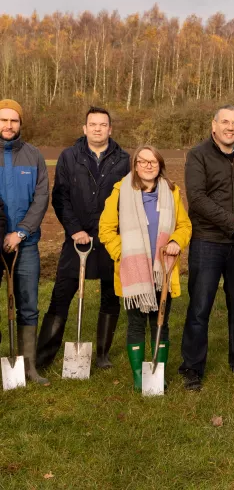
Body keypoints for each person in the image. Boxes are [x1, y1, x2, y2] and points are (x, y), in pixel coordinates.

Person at [178, 105, 234, 391]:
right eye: (225, 122)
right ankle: (192, 367)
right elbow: (198, 199)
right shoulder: (198, 155)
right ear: (213, 125)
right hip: (208, 241)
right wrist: (233, 222)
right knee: (200, 307)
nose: (231, 127)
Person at [36, 107, 130, 371]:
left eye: (103, 124)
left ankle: (102, 355)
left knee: (111, 297)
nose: (98, 128)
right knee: (61, 296)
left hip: (111, 239)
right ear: (84, 128)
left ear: (110, 129)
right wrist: (74, 229)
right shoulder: (69, 157)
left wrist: (112, 233)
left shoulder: (124, 159)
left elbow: (129, 201)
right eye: (93, 124)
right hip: (76, 239)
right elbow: (61, 197)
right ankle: (43, 358)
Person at [99, 145, 192, 391]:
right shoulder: (121, 191)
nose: (148, 165)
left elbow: (185, 226)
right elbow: (106, 230)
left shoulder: (171, 192)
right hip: (134, 273)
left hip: (164, 270)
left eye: (153, 161)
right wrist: (123, 255)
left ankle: (157, 374)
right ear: (135, 165)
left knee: (161, 322)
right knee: (136, 324)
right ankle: (140, 376)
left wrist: (175, 241)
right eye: (143, 161)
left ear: (160, 165)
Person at [0, 99, 49, 385]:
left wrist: (20, 233)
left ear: (20, 123)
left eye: (13, 120)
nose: (8, 125)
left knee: (28, 304)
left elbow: (41, 198)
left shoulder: (33, 156)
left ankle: (29, 367)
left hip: (25, 242)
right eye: (3, 120)